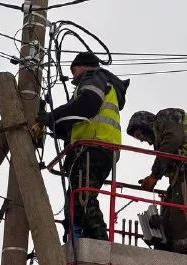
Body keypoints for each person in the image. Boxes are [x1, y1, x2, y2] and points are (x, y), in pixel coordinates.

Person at [37, 52, 129, 241]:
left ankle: (98, 239)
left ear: (84, 66)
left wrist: (54, 116)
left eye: (74, 70)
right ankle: (77, 235)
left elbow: (88, 104)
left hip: (93, 147)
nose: (73, 76)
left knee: (82, 195)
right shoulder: (97, 84)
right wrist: (53, 123)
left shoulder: (94, 77)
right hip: (96, 148)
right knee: (75, 197)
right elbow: (76, 121)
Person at [126, 109, 187, 255]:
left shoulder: (165, 117)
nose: (142, 140)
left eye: (139, 135)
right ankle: (167, 251)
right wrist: (153, 177)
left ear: (145, 124)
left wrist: (154, 176)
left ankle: (186, 256)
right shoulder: (160, 139)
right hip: (185, 171)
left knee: (180, 213)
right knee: (167, 216)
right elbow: (168, 157)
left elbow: (173, 140)